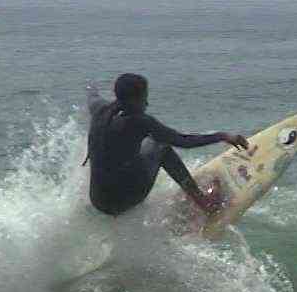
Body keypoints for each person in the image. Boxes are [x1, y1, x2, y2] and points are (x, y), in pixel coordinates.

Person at [84, 73, 248, 216]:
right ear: (134, 99)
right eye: (144, 98)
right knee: (161, 147)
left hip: (98, 201)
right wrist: (222, 136)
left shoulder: (100, 110)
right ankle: (205, 204)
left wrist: (91, 86)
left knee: (146, 144)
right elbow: (184, 141)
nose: (146, 104)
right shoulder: (139, 121)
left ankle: (120, 186)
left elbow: (92, 96)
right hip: (121, 203)